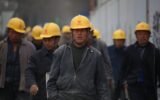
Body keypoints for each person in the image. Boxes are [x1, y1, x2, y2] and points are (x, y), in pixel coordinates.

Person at [47, 15, 110, 100]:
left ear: (88, 32)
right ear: (72, 32)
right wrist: (54, 98)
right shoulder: (60, 53)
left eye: (83, 30)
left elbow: (102, 84)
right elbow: (51, 82)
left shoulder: (96, 55)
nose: (79, 33)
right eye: (76, 30)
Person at [119, 22, 160, 100]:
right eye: (140, 34)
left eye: (145, 34)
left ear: (149, 36)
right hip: (134, 87)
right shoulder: (129, 50)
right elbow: (123, 69)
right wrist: (122, 84)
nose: (142, 36)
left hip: (150, 88)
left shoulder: (155, 51)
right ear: (136, 35)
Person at [0, 17, 35, 100]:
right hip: (4, 87)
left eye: (18, 33)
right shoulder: (2, 46)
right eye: (13, 32)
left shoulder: (30, 48)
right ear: (8, 32)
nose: (15, 35)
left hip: (22, 87)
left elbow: (34, 68)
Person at [25, 22, 61, 100]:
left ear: (57, 39)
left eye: (49, 39)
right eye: (45, 40)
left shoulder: (64, 55)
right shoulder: (36, 56)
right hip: (41, 96)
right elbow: (29, 71)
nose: (47, 42)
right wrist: (32, 84)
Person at [108, 29, 126, 100]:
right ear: (114, 41)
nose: (119, 42)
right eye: (117, 40)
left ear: (124, 41)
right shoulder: (108, 50)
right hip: (112, 81)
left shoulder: (128, 51)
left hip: (123, 82)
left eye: (121, 40)